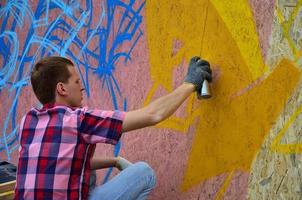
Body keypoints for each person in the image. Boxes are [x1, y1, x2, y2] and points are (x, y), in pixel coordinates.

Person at [14, 56, 212, 200]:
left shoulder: (28, 123)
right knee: (144, 173)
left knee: (86, 176)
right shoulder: (78, 120)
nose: (81, 89)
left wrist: (115, 161)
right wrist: (189, 83)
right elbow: (153, 115)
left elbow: (63, 164)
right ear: (62, 89)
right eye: (77, 82)